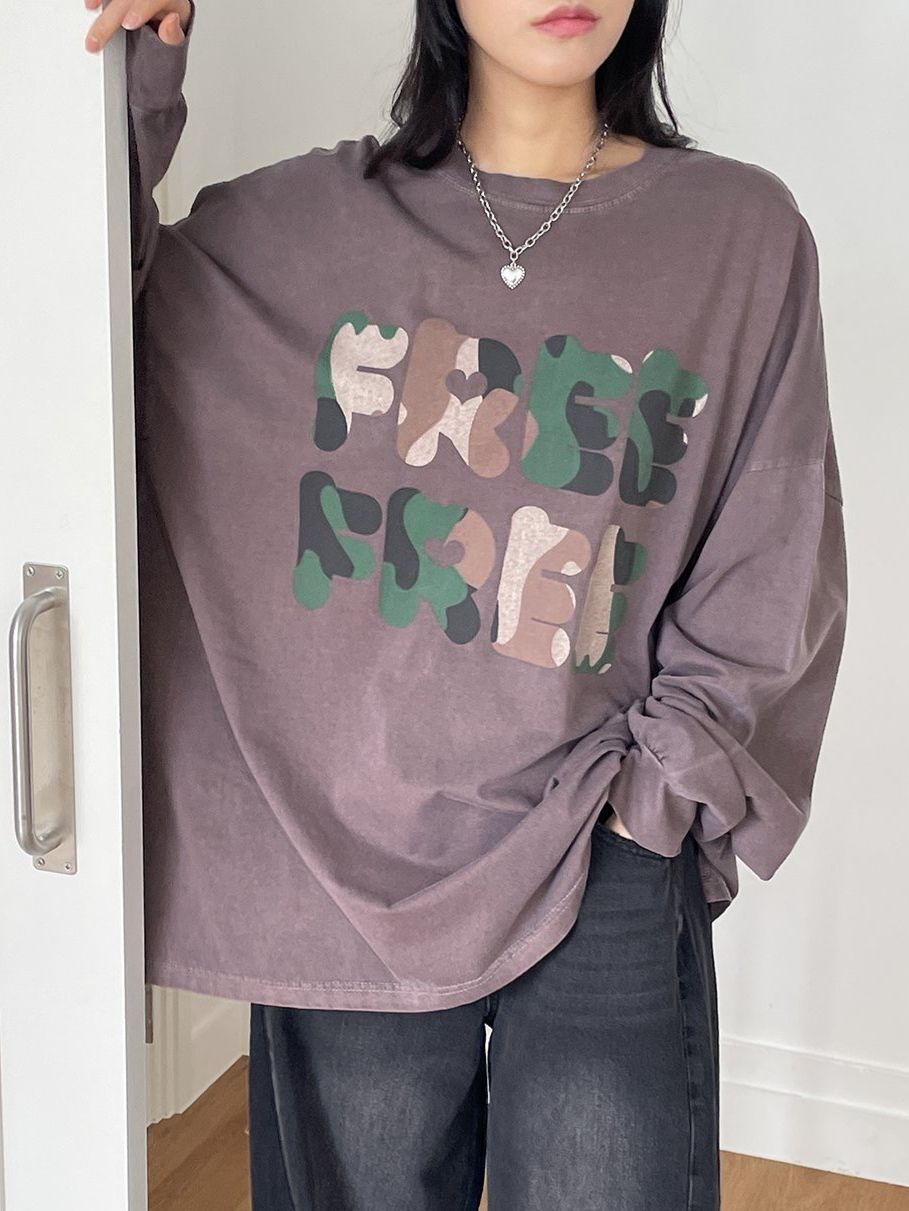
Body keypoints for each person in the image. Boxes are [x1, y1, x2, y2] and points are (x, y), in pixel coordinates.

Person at [84, 1, 848, 1207]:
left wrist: (652, 804)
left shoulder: (738, 236)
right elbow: (72, 310)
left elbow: (773, 549)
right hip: (350, 864)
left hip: (602, 836)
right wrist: (138, 71)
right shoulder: (296, 227)